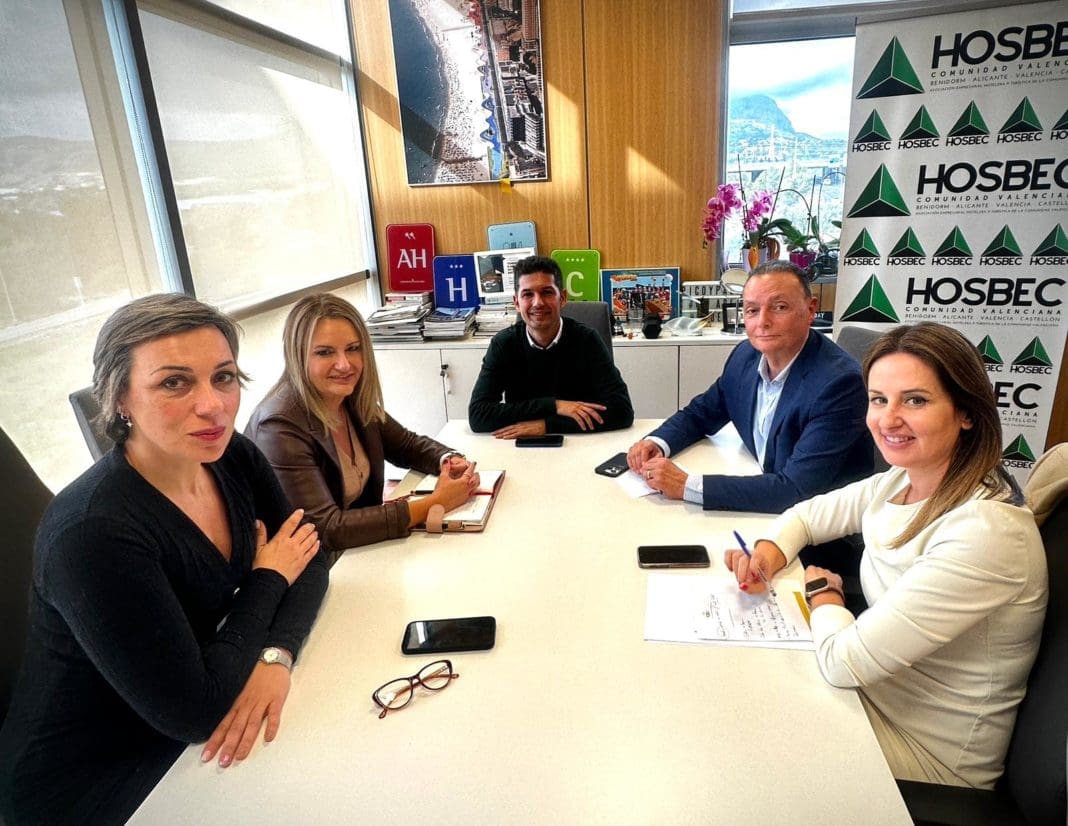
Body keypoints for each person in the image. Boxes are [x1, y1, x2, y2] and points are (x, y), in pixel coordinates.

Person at [0, 294, 328, 824]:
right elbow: (196, 711)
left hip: (187, 732)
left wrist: (276, 655)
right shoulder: (93, 532)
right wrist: (268, 575)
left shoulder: (228, 455)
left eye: (223, 377)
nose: (213, 405)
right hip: (94, 782)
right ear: (120, 398)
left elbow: (310, 558)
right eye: (175, 383)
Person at [726, 322, 1047, 789]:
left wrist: (824, 596)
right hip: (871, 693)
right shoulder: (903, 478)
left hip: (926, 753)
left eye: (915, 400)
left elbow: (842, 662)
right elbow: (806, 517)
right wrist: (766, 554)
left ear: (966, 412)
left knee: (739, 745)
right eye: (878, 399)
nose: (888, 419)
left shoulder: (985, 531)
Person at [246, 293, 479, 558]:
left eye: (353, 348)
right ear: (297, 356)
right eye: (325, 352)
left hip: (358, 551)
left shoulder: (350, 397)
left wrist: (448, 460)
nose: (344, 364)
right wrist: (435, 503)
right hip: (310, 565)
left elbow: (405, 445)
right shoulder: (278, 426)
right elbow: (325, 528)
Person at [627, 261, 871, 512]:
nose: (762, 321)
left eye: (779, 307)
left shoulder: (840, 385)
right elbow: (701, 414)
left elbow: (794, 489)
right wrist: (658, 442)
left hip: (818, 521)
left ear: (810, 310)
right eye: (752, 310)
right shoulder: (745, 356)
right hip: (761, 494)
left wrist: (686, 485)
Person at [468, 255, 634, 437]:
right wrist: (555, 405)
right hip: (520, 446)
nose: (538, 303)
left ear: (562, 298)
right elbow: (478, 415)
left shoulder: (587, 340)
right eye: (528, 294)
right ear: (516, 303)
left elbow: (622, 411)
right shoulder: (504, 344)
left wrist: (546, 426)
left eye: (547, 292)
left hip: (581, 443)